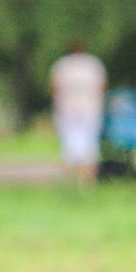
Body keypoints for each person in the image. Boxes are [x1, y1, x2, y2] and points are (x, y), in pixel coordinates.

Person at [48, 39, 106, 185]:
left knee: (73, 145)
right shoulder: (93, 64)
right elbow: (102, 87)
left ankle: (75, 180)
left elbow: (54, 88)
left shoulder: (62, 65)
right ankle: (84, 181)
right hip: (84, 109)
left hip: (74, 109)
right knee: (86, 145)